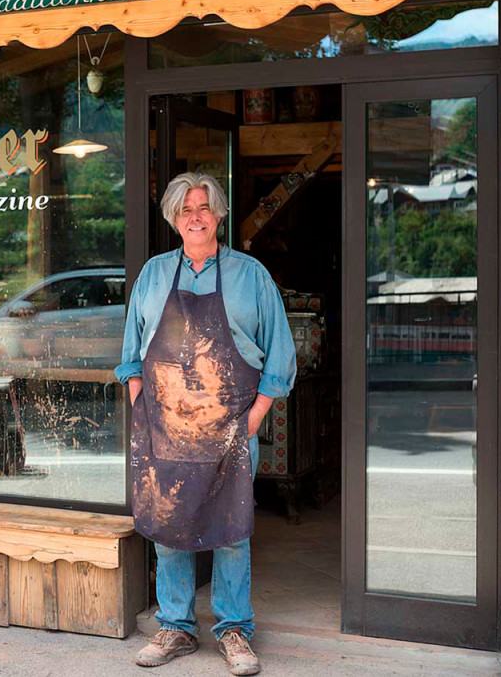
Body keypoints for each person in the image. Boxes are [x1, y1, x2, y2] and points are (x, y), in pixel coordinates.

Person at [116, 173, 296, 676]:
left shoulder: (251, 275)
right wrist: (143, 409)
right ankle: (175, 626)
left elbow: (280, 358)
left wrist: (253, 419)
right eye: (185, 209)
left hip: (231, 431)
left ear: (218, 215)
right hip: (163, 428)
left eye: (203, 207)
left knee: (231, 530)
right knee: (170, 526)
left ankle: (234, 630)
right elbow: (131, 357)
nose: (194, 217)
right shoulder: (152, 275)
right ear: (174, 219)